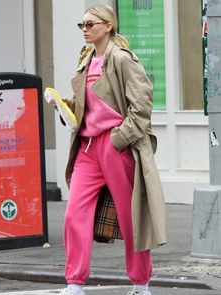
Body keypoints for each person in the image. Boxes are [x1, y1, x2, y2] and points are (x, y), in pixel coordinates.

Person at [58, 4, 166, 295]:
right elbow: (84, 104)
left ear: (108, 26)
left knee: (132, 218)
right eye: (81, 25)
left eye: (90, 24)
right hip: (87, 147)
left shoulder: (122, 59)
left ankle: (141, 284)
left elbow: (142, 107)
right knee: (74, 214)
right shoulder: (86, 59)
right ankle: (75, 282)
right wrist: (65, 110)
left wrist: (120, 139)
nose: (85, 30)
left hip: (115, 145)